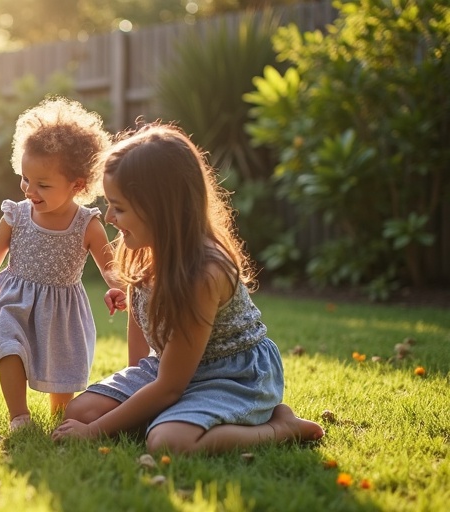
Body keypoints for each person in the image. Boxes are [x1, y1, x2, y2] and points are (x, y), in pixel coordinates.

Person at [51, 121, 325, 453]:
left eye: (119, 207)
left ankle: (280, 427)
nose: (108, 217)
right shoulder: (141, 249)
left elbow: (169, 386)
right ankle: (174, 414)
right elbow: (141, 333)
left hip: (232, 375)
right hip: (170, 369)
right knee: (81, 410)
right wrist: (134, 388)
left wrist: (95, 432)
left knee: (168, 441)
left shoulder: (205, 272)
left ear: (161, 210)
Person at [0, 97, 126, 432]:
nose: (30, 189)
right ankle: (20, 417)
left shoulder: (87, 224)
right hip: (14, 298)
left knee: (62, 367)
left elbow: (110, 265)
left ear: (78, 185)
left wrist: (117, 288)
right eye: (25, 178)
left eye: (43, 184)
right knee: (8, 345)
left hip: (61, 309)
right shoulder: (16, 215)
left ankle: (60, 415)